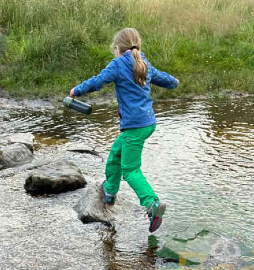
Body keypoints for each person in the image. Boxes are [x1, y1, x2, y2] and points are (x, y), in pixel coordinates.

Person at [69, 27, 179, 233]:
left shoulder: (118, 64)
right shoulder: (143, 63)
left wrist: (77, 90)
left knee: (130, 170)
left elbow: (97, 81)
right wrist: (174, 82)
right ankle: (110, 191)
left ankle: (152, 204)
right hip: (147, 123)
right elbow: (166, 79)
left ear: (117, 48)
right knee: (116, 154)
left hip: (135, 127)